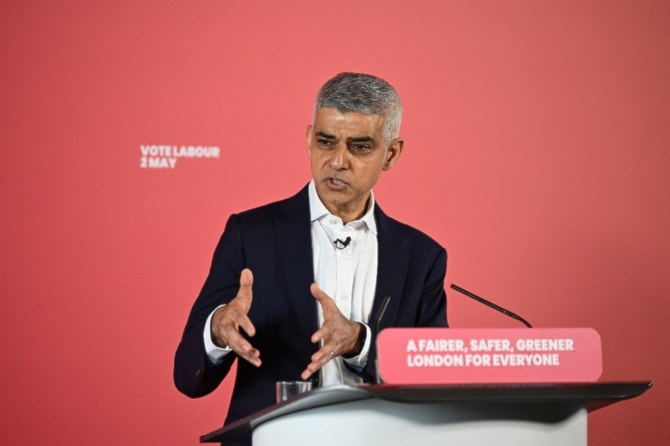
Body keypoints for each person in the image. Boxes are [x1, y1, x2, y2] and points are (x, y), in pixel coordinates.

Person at [174, 72, 448, 441]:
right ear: (308, 140)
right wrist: (217, 332)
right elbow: (187, 376)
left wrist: (360, 344)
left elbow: (434, 383)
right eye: (326, 141)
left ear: (391, 154)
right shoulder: (250, 235)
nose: (337, 161)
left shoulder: (421, 257)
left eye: (360, 147)